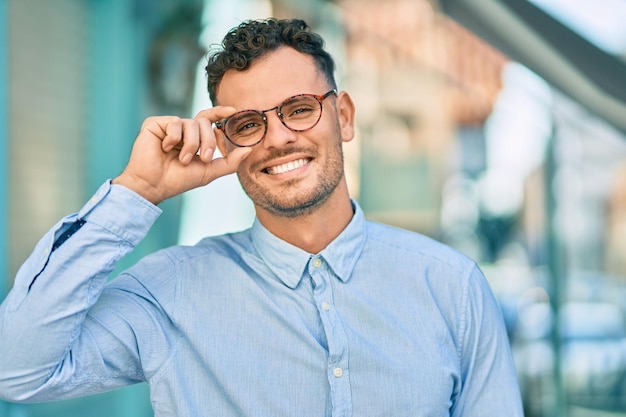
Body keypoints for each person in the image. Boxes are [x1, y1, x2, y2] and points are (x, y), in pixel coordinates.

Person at [0, 18, 523, 416]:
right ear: (224, 142)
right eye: (248, 124)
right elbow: (17, 370)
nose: (277, 139)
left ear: (343, 117)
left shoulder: (452, 288)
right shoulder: (170, 292)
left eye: (299, 109)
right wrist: (137, 191)